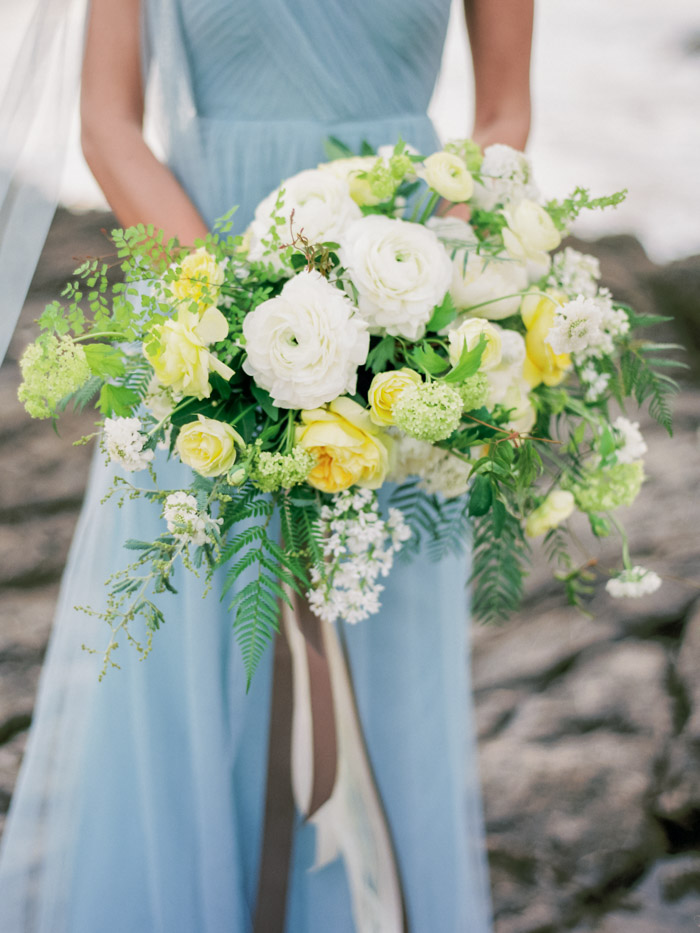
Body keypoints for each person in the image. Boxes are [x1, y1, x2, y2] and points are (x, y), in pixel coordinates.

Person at [0, 1, 534, 930]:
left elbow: (504, 116)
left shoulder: (412, 322)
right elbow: (108, 123)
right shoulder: (215, 321)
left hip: (407, 327)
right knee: (190, 685)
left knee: (385, 678)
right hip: (200, 311)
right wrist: (241, 323)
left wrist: (416, 302)